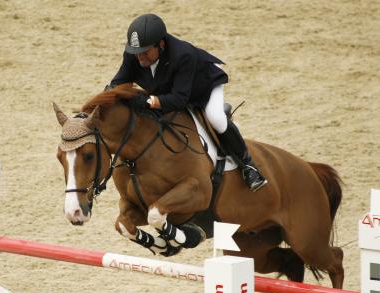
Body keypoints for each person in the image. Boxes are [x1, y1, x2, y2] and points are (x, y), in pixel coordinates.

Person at [110, 13, 267, 191]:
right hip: (169, 89)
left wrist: (148, 101)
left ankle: (248, 166)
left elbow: (179, 99)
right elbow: (119, 81)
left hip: (202, 85)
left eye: (145, 53)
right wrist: (111, 94)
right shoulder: (135, 53)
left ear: (160, 44)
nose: (140, 58)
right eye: (136, 53)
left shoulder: (182, 55)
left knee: (215, 118)